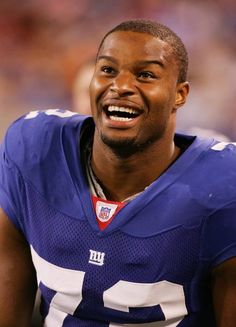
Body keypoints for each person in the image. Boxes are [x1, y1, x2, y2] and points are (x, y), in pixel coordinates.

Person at [0, 19, 236, 327]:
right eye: (108, 70)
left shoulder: (220, 185)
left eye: (146, 75)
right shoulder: (34, 150)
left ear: (180, 95)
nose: (121, 86)